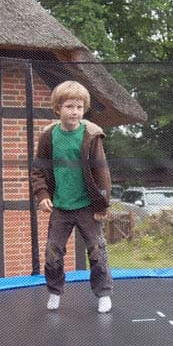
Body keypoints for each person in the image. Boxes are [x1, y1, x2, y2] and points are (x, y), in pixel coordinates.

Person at [30, 80, 113, 313]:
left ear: (84, 109)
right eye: (69, 106)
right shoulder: (49, 136)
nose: (74, 111)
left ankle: (103, 293)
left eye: (79, 107)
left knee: (97, 251)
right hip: (61, 207)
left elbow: (101, 172)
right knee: (53, 253)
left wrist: (102, 205)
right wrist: (42, 194)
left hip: (88, 206)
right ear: (58, 109)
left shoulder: (91, 135)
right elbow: (38, 169)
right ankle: (55, 291)